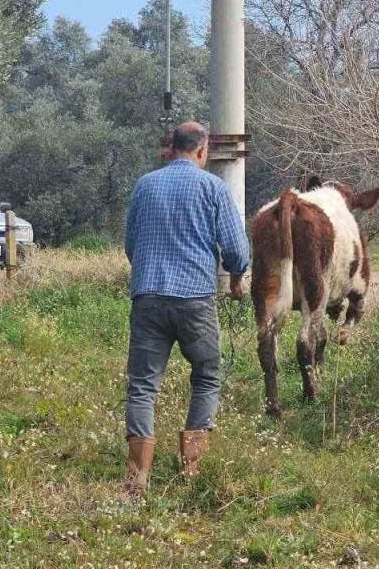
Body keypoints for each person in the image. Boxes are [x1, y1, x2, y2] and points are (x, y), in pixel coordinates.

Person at [123, 121, 250, 495]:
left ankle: (138, 475)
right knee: (207, 374)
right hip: (195, 299)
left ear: (172, 147)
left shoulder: (145, 185)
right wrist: (238, 276)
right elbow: (237, 252)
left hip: (148, 297)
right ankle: (191, 469)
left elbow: (131, 246)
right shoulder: (213, 187)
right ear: (202, 151)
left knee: (143, 385)